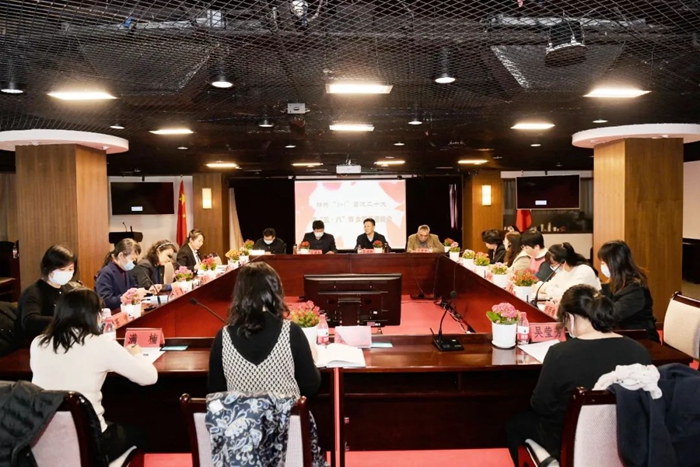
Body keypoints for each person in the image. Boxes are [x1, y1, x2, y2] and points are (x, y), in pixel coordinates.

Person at [505, 285, 652, 464]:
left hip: (571, 442)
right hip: (627, 441)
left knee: (515, 425)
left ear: (569, 317)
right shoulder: (638, 350)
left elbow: (541, 405)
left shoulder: (560, 353)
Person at [30, 289, 158, 462]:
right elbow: (149, 377)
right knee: (140, 432)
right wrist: (136, 354)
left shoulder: (38, 343)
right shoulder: (100, 344)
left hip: (41, 440)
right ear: (94, 316)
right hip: (90, 443)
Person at [207, 262, 321, 397]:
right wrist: (310, 359)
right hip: (286, 411)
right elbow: (310, 386)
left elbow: (215, 392)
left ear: (239, 293)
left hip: (240, 412)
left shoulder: (223, 337)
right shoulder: (291, 332)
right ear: (276, 291)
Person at [598, 240, 660, 342]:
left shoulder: (635, 289)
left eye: (603, 263)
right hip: (622, 335)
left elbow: (611, 314)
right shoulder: (614, 283)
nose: (602, 267)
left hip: (641, 339)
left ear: (615, 263)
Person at [17, 245, 78, 340]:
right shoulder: (33, 293)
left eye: (70, 269)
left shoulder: (69, 289)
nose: (67, 273)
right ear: (48, 268)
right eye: (61, 269)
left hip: (63, 338)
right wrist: (64, 321)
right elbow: (30, 321)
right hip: (39, 342)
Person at [533, 243, 601, 301]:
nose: (552, 267)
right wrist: (544, 287)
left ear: (563, 262)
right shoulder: (562, 271)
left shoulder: (584, 271)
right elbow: (551, 284)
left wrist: (546, 289)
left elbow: (569, 295)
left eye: (553, 265)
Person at [95, 239, 147, 310]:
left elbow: (134, 287)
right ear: (121, 255)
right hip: (114, 313)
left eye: (135, 260)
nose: (133, 263)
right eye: (132, 259)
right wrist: (126, 297)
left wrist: (143, 292)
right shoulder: (106, 273)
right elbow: (105, 301)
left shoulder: (126, 270)